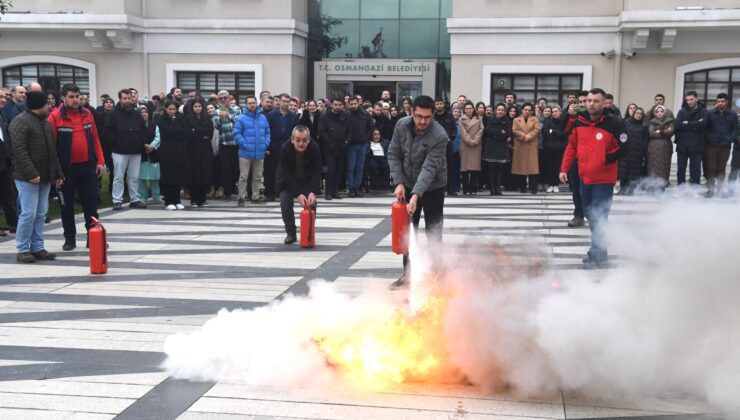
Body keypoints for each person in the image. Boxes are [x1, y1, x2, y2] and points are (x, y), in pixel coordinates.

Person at [559, 88, 628, 269]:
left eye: (596, 101)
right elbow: (571, 147)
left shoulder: (614, 124)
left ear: (604, 103)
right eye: (589, 100)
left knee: (600, 217)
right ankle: (600, 251)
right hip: (584, 177)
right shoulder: (578, 123)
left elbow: (625, 147)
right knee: (590, 216)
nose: (591, 104)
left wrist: (605, 159)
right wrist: (564, 169)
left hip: (604, 180)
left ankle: (596, 254)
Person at [388, 95, 448, 288]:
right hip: (407, 183)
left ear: (433, 115)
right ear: (412, 112)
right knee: (408, 231)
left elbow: (429, 169)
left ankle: (437, 276)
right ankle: (408, 274)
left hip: (433, 187)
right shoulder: (401, 125)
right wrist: (399, 182)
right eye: (419, 116)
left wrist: (416, 194)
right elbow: (394, 153)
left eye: (427, 117)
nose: (423, 121)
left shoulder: (439, 136)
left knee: (433, 232)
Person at [47, 84, 106, 251]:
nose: (75, 100)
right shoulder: (55, 117)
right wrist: (56, 172)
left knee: (91, 204)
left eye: (77, 96)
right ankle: (70, 238)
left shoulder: (87, 114)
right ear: (63, 98)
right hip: (65, 171)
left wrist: (100, 161)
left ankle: (93, 237)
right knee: (66, 206)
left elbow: (95, 138)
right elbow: (51, 148)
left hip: (87, 167)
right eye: (71, 97)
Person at [9, 91, 64, 263]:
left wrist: (57, 173)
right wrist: (31, 173)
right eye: (46, 104)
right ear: (38, 105)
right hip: (27, 178)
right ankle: (23, 248)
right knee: (28, 214)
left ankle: (38, 246)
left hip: (45, 177)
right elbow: (19, 152)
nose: (49, 106)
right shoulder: (20, 122)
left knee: (40, 214)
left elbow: (52, 151)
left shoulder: (45, 123)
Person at [276, 125, 321, 244]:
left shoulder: (315, 148)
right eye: (298, 140)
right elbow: (287, 174)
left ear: (309, 139)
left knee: (312, 203)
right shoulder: (285, 148)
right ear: (292, 139)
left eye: (304, 140)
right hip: (287, 181)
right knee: (285, 203)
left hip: (305, 180)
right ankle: (291, 233)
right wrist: (297, 194)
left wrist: (313, 191)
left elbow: (316, 171)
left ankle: (308, 231)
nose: (301, 144)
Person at [105, 88, 147, 210]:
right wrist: (117, 141)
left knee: (134, 176)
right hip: (119, 151)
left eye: (129, 98)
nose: (128, 100)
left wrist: (141, 142)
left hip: (135, 150)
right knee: (118, 176)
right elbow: (107, 131)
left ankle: (135, 199)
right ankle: (117, 200)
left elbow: (143, 129)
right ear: (120, 99)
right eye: (125, 98)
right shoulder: (112, 114)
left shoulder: (136, 113)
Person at [233, 95, 270, 206]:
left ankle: (255, 197)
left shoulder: (262, 117)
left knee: (258, 176)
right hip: (245, 152)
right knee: (243, 176)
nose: (251, 105)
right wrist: (245, 144)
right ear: (246, 104)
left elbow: (267, 132)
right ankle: (241, 198)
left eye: (253, 102)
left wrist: (266, 144)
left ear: (256, 102)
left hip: (260, 152)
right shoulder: (241, 118)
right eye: (249, 103)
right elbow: (236, 133)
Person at [158, 100, 191, 210]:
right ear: (165, 109)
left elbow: (186, 131)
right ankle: (169, 201)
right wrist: (178, 131)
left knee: (178, 176)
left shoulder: (181, 118)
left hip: (179, 151)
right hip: (166, 151)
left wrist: (175, 131)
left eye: (174, 109)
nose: (172, 111)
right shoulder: (162, 119)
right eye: (170, 109)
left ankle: (177, 200)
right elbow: (165, 131)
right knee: (168, 177)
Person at [265, 93, 299, 201]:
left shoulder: (293, 117)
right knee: (271, 171)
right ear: (279, 101)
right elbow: (267, 131)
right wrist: (268, 147)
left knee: (287, 171)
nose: (286, 103)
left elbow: (295, 133)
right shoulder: (271, 115)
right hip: (273, 147)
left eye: (288, 101)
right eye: (284, 101)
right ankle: (270, 193)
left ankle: (283, 192)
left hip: (288, 148)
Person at [704, 92, 738, 197]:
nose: (720, 103)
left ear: (726, 102)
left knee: (721, 169)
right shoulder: (710, 113)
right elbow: (706, 128)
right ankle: (710, 190)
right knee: (711, 168)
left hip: (725, 146)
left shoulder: (732, 114)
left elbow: (735, 128)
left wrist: (730, 138)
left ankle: (720, 190)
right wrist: (710, 138)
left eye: (722, 101)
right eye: (718, 101)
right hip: (712, 146)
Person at [212, 90, 242, 201]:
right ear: (218, 100)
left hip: (236, 143)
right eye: (221, 98)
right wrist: (220, 119)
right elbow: (216, 126)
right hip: (224, 144)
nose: (223, 100)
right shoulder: (216, 111)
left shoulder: (237, 109)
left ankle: (239, 190)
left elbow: (239, 123)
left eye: (225, 98)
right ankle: (228, 193)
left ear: (229, 98)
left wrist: (228, 115)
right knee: (226, 169)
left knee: (237, 169)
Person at [185, 98, 214, 207]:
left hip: (205, 150)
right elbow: (189, 133)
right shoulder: (188, 119)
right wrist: (201, 133)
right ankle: (194, 199)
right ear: (192, 108)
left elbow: (210, 132)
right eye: (195, 106)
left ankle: (202, 199)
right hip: (192, 150)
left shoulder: (207, 118)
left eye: (200, 106)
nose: (198, 108)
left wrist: (196, 130)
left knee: (204, 174)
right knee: (194, 174)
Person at [674, 91, 706, 186]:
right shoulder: (682, 111)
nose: (689, 102)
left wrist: (687, 123)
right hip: (682, 145)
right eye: (687, 100)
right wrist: (695, 124)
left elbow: (703, 124)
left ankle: (695, 186)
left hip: (697, 145)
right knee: (681, 168)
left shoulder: (703, 111)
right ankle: (681, 187)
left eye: (691, 99)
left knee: (696, 168)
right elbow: (678, 125)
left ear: (696, 99)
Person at [318, 98, 347, 201]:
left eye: (339, 104)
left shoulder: (344, 115)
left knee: (339, 170)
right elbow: (322, 131)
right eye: (335, 104)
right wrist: (330, 142)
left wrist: (346, 140)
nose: (337, 106)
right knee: (331, 170)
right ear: (331, 105)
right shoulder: (325, 116)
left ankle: (335, 191)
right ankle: (328, 193)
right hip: (329, 147)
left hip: (341, 147)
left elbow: (348, 129)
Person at [345, 97, 373, 197]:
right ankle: (351, 188)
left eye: (355, 103)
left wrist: (366, 137)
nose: (353, 106)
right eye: (351, 104)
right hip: (351, 144)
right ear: (349, 104)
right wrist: (346, 139)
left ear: (359, 103)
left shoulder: (365, 114)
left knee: (360, 167)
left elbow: (371, 127)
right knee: (351, 167)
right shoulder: (347, 114)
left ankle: (357, 187)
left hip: (362, 144)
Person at [618, 107, 649, 195]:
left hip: (637, 152)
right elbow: (622, 135)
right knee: (624, 171)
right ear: (634, 114)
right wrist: (622, 145)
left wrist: (643, 150)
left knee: (633, 173)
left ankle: (630, 190)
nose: (638, 115)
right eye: (637, 113)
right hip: (626, 151)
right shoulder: (626, 123)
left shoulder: (644, 125)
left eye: (640, 114)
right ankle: (622, 189)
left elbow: (645, 139)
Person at [0, 89, 18, 236]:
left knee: (9, 194)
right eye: (0, 97)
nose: (4, 99)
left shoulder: (3, 114)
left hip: (5, 162)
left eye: (5, 97)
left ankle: (13, 224)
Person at [483, 103, 511, 195]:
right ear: (496, 111)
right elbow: (489, 131)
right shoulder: (491, 120)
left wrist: (500, 134)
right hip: (492, 146)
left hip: (502, 146)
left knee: (500, 169)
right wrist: (500, 132)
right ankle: (492, 188)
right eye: (499, 109)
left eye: (502, 110)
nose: (500, 111)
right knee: (492, 168)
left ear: (505, 111)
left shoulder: (507, 121)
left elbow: (508, 133)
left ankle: (498, 187)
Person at [512, 103, 540, 194]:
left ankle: (533, 188)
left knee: (533, 168)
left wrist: (529, 136)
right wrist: (524, 136)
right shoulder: (516, 120)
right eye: (525, 109)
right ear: (522, 110)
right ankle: (522, 187)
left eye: (529, 110)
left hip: (531, 144)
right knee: (521, 167)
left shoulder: (535, 119)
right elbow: (515, 130)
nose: (527, 111)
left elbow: (536, 130)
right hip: (521, 144)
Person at [647, 105, 675, 190]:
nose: (659, 113)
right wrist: (663, 131)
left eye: (661, 111)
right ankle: (653, 183)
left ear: (664, 112)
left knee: (664, 165)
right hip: (654, 147)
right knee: (653, 166)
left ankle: (663, 182)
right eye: (658, 111)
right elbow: (651, 133)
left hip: (665, 147)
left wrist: (659, 131)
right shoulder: (652, 121)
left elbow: (670, 131)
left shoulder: (669, 121)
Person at [433, 98, 457, 196]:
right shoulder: (432, 116)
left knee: (449, 168)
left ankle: (450, 188)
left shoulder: (449, 116)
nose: (439, 105)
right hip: (435, 147)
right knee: (436, 168)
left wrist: (451, 138)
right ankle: (438, 188)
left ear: (443, 104)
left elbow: (454, 129)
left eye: (440, 103)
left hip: (447, 146)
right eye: (437, 104)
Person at [459, 101, 483, 195]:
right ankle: (465, 189)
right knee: (464, 169)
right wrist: (470, 141)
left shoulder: (478, 118)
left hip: (476, 146)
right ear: (464, 110)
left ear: (473, 109)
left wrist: (475, 141)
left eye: (470, 108)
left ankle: (473, 189)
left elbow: (481, 130)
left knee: (474, 168)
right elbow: (463, 132)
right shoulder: (461, 119)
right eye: (467, 108)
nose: (469, 110)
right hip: (465, 145)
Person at [138, 107, 161, 204]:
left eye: (145, 112)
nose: (144, 114)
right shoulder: (136, 125)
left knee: (155, 177)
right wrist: (144, 146)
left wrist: (151, 146)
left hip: (153, 153)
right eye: (141, 112)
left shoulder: (154, 125)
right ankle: (143, 197)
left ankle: (157, 196)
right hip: (141, 154)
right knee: (141, 178)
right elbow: (135, 138)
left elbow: (158, 137)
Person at [541, 105, 566, 193]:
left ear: (560, 112)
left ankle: (556, 184)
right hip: (548, 148)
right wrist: (556, 133)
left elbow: (563, 134)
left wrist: (552, 131)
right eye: (553, 112)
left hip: (559, 148)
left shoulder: (563, 122)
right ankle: (550, 184)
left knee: (557, 167)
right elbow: (545, 133)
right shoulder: (547, 122)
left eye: (556, 111)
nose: (554, 113)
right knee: (549, 166)